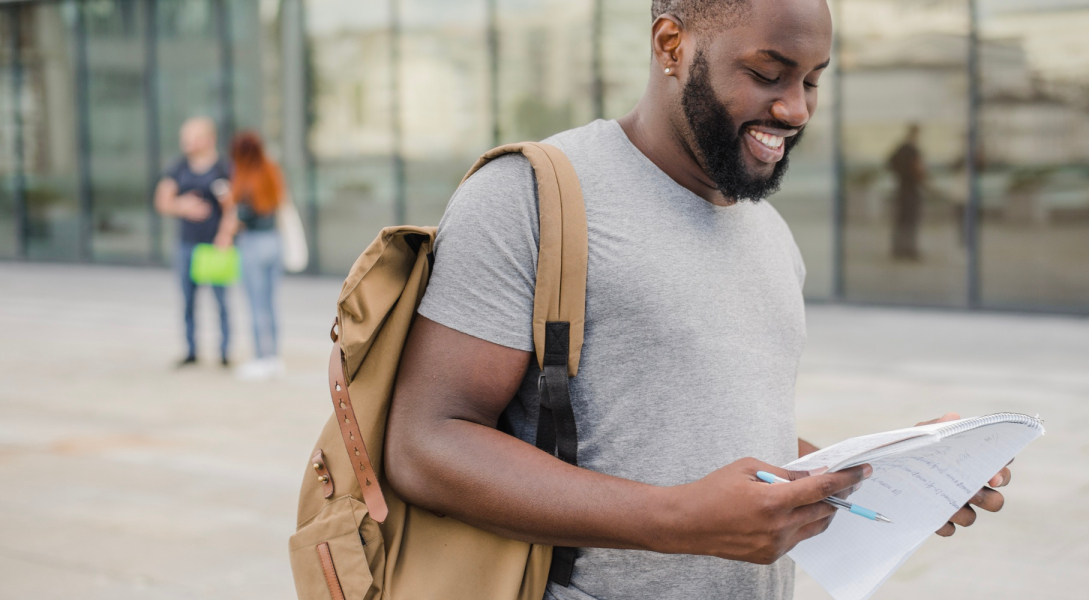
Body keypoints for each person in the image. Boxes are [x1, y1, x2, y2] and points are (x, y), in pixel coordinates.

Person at [384, 2, 1015, 600]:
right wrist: (677, 518)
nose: (795, 109)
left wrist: (890, 474)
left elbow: (700, 437)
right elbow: (426, 444)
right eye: (768, 74)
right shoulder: (527, 196)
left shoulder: (768, 232)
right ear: (671, 44)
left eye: (813, 81)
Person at [154, 117, 232, 367]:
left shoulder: (223, 168)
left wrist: (225, 235)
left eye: (193, 138)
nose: (187, 144)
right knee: (188, 301)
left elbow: (232, 206)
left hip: (215, 247)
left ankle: (224, 352)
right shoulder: (178, 167)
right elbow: (162, 201)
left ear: (209, 139)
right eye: (184, 138)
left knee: (221, 301)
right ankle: (191, 350)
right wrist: (182, 206)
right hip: (187, 245)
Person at [215, 131, 287, 381]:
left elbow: (243, 216)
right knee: (270, 303)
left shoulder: (245, 178)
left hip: (254, 245)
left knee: (256, 304)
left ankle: (260, 358)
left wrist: (228, 205)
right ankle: (274, 357)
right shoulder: (271, 171)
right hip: (274, 242)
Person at [887, 122, 926, 260]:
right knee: (909, 220)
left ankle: (899, 249)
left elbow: (889, 163)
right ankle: (908, 249)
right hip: (910, 188)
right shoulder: (911, 150)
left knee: (902, 220)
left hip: (903, 188)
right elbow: (918, 169)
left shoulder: (901, 149)